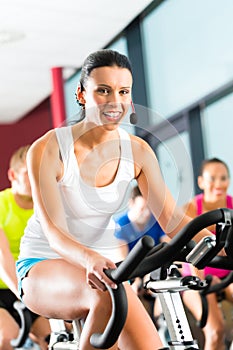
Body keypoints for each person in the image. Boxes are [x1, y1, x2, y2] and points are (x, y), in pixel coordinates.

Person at [16, 49, 214, 350]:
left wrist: (218, 241)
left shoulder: (137, 152)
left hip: (104, 272)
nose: (115, 102)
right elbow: (54, 233)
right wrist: (88, 258)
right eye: (103, 91)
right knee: (103, 296)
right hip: (43, 265)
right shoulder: (49, 149)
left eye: (123, 91)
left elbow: (173, 221)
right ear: (82, 95)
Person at [0, 145, 51, 350]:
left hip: (33, 286)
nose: (34, 179)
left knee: (54, 338)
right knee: (8, 340)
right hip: (5, 287)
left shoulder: (46, 207)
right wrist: (26, 296)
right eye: (27, 173)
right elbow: (2, 261)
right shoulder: (2, 205)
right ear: (12, 175)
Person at [182, 157, 233, 350]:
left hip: (227, 274)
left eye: (223, 178)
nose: (218, 184)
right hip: (197, 276)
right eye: (212, 178)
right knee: (215, 332)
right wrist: (198, 281)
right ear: (201, 182)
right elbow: (188, 249)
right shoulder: (191, 209)